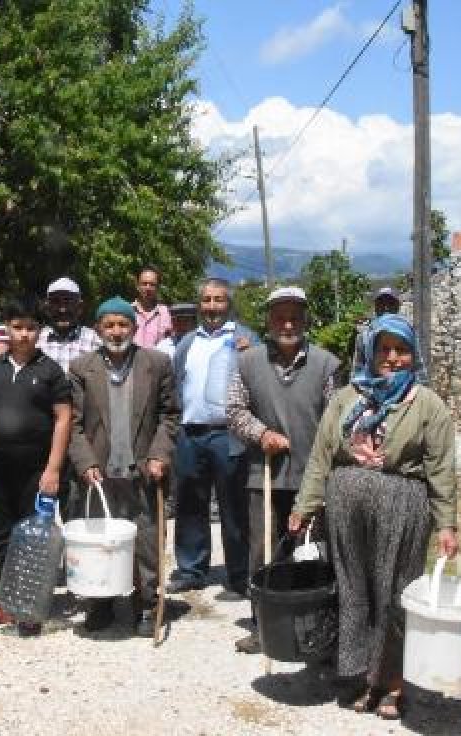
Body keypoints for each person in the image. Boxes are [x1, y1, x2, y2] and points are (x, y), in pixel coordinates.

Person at [291, 314, 459, 721]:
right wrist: (304, 505)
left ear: (412, 353)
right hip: (347, 510)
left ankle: (395, 683)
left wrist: (447, 524)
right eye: (384, 349)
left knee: (395, 594)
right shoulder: (348, 398)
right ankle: (363, 676)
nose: (392, 357)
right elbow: (322, 456)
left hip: (402, 508)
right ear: (370, 351)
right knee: (354, 592)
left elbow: (442, 468)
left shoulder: (426, 404)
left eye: (400, 350)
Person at [226, 286, 340, 654]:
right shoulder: (247, 363)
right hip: (265, 476)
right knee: (263, 553)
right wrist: (261, 434)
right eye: (280, 316)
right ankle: (265, 627)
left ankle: (315, 627)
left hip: (314, 476)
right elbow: (234, 411)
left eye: (294, 316)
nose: (287, 323)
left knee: (312, 551)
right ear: (269, 320)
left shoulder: (327, 364)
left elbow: (337, 419)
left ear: (305, 320)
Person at [0, 299, 72, 635]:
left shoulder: (51, 371)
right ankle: (6, 601)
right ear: (6, 329)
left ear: (39, 332)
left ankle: (30, 605)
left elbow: (63, 419)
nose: (23, 334)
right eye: (17, 327)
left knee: (31, 536)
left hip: (35, 470)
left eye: (30, 328)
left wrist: (53, 469)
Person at [68, 297, 178, 635]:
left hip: (142, 470)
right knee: (100, 541)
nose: (116, 331)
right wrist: (84, 461)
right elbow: (72, 423)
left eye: (123, 324)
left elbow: (170, 416)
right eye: (109, 325)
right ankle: (100, 603)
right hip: (98, 473)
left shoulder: (156, 363)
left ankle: (146, 603)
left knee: (145, 538)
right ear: (99, 328)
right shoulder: (81, 367)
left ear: (134, 327)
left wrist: (160, 454)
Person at [168, 278, 256, 595]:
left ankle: (238, 575)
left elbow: (256, 378)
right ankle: (192, 569)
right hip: (190, 434)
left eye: (219, 300)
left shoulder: (246, 338)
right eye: (206, 300)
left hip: (228, 434)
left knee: (234, 506)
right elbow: (176, 384)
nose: (212, 307)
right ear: (199, 304)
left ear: (228, 303)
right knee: (190, 502)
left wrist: (250, 353)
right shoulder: (187, 342)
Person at [37, 277, 101, 374]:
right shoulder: (36, 339)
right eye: (56, 302)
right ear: (47, 308)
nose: (62, 309)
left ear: (80, 307)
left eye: (68, 302)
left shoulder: (94, 340)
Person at [349, 287, 402, 377]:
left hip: (404, 388)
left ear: (398, 307)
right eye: (381, 303)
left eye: (391, 303)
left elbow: (418, 369)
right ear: (375, 307)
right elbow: (358, 369)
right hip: (373, 388)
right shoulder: (364, 337)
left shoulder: (407, 335)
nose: (386, 308)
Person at [131, 266, 172, 349]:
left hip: (157, 361)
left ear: (158, 287)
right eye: (144, 284)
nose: (148, 288)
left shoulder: (167, 313)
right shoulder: (127, 311)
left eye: (152, 284)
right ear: (137, 286)